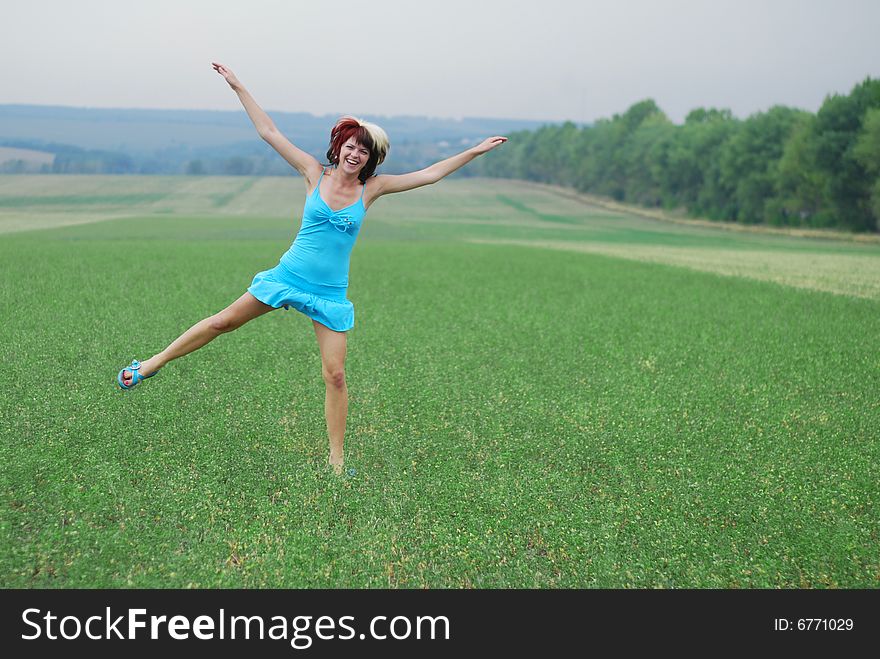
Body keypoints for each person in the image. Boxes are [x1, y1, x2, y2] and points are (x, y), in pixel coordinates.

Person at [117, 62, 507, 475]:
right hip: (287, 277)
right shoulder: (312, 173)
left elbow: (429, 174)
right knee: (221, 324)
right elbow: (269, 133)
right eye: (351, 146)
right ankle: (152, 364)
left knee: (335, 375)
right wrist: (238, 86)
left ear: (371, 159)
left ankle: (337, 463)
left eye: (364, 151)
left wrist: (474, 151)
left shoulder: (371, 189)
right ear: (338, 146)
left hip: (329, 294)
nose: (355, 155)